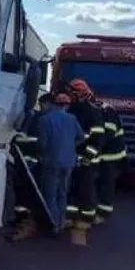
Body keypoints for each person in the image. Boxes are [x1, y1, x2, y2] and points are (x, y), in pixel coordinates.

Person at [35, 92, 85, 234]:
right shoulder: (72, 119)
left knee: (50, 194)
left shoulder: (45, 120)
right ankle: (61, 222)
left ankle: (53, 225)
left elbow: (42, 144)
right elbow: (81, 137)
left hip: (51, 161)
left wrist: (41, 155)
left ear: (54, 104)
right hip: (68, 162)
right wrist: (70, 147)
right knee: (62, 193)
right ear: (66, 106)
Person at [65, 79, 106, 226]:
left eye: (72, 93)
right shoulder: (70, 110)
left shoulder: (93, 112)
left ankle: (87, 218)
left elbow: (98, 139)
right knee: (71, 189)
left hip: (87, 160)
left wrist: (88, 157)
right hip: (72, 158)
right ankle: (70, 217)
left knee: (86, 190)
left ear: (80, 94)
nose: (69, 95)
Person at [95, 98, 126, 224]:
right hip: (103, 154)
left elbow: (107, 135)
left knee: (106, 184)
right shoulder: (100, 110)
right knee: (100, 183)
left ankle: (103, 213)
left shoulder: (107, 112)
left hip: (111, 156)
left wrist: (93, 147)